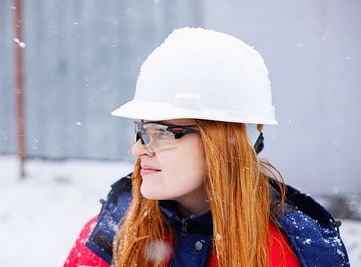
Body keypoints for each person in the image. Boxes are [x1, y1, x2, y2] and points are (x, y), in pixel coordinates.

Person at [64, 27, 349, 267]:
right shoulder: (114, 230)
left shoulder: (293, 250)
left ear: (225, 144)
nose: (138, 150)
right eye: (142, 131)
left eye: (162, 133)